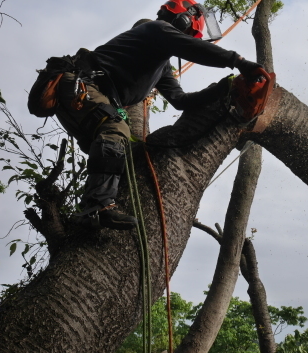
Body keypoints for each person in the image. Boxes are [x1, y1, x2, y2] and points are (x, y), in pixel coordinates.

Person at [54, 0, 262, 231]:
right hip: (81, 84)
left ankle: (88, 213)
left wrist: (222, 88)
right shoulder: (155, 29)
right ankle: (97, 206)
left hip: (85, 98)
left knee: (122, 153)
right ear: (182, 19)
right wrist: (239, 62)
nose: (184, 37)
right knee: (115, 129)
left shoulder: (161, 66)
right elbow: (192, 48)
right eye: (186, 32)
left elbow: (180, 101)